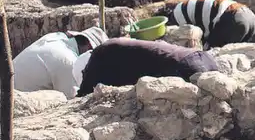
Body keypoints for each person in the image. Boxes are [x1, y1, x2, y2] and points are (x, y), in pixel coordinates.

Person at [76, 38, 219, 97]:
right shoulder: (114, 51)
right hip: (205, 58)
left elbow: (84, 95)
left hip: (184, 67)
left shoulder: (98, 57)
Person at [12, 27, 108, 98]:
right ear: (89, 46)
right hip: (16, 102)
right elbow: (74, 99)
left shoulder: (54, 37)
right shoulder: (68, 61)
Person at [156, 0, 255, 49]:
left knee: (215, 54)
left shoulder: (177, 17)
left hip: (233, 20)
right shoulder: (184, 8)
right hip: (251, 18)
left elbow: (192, 40)